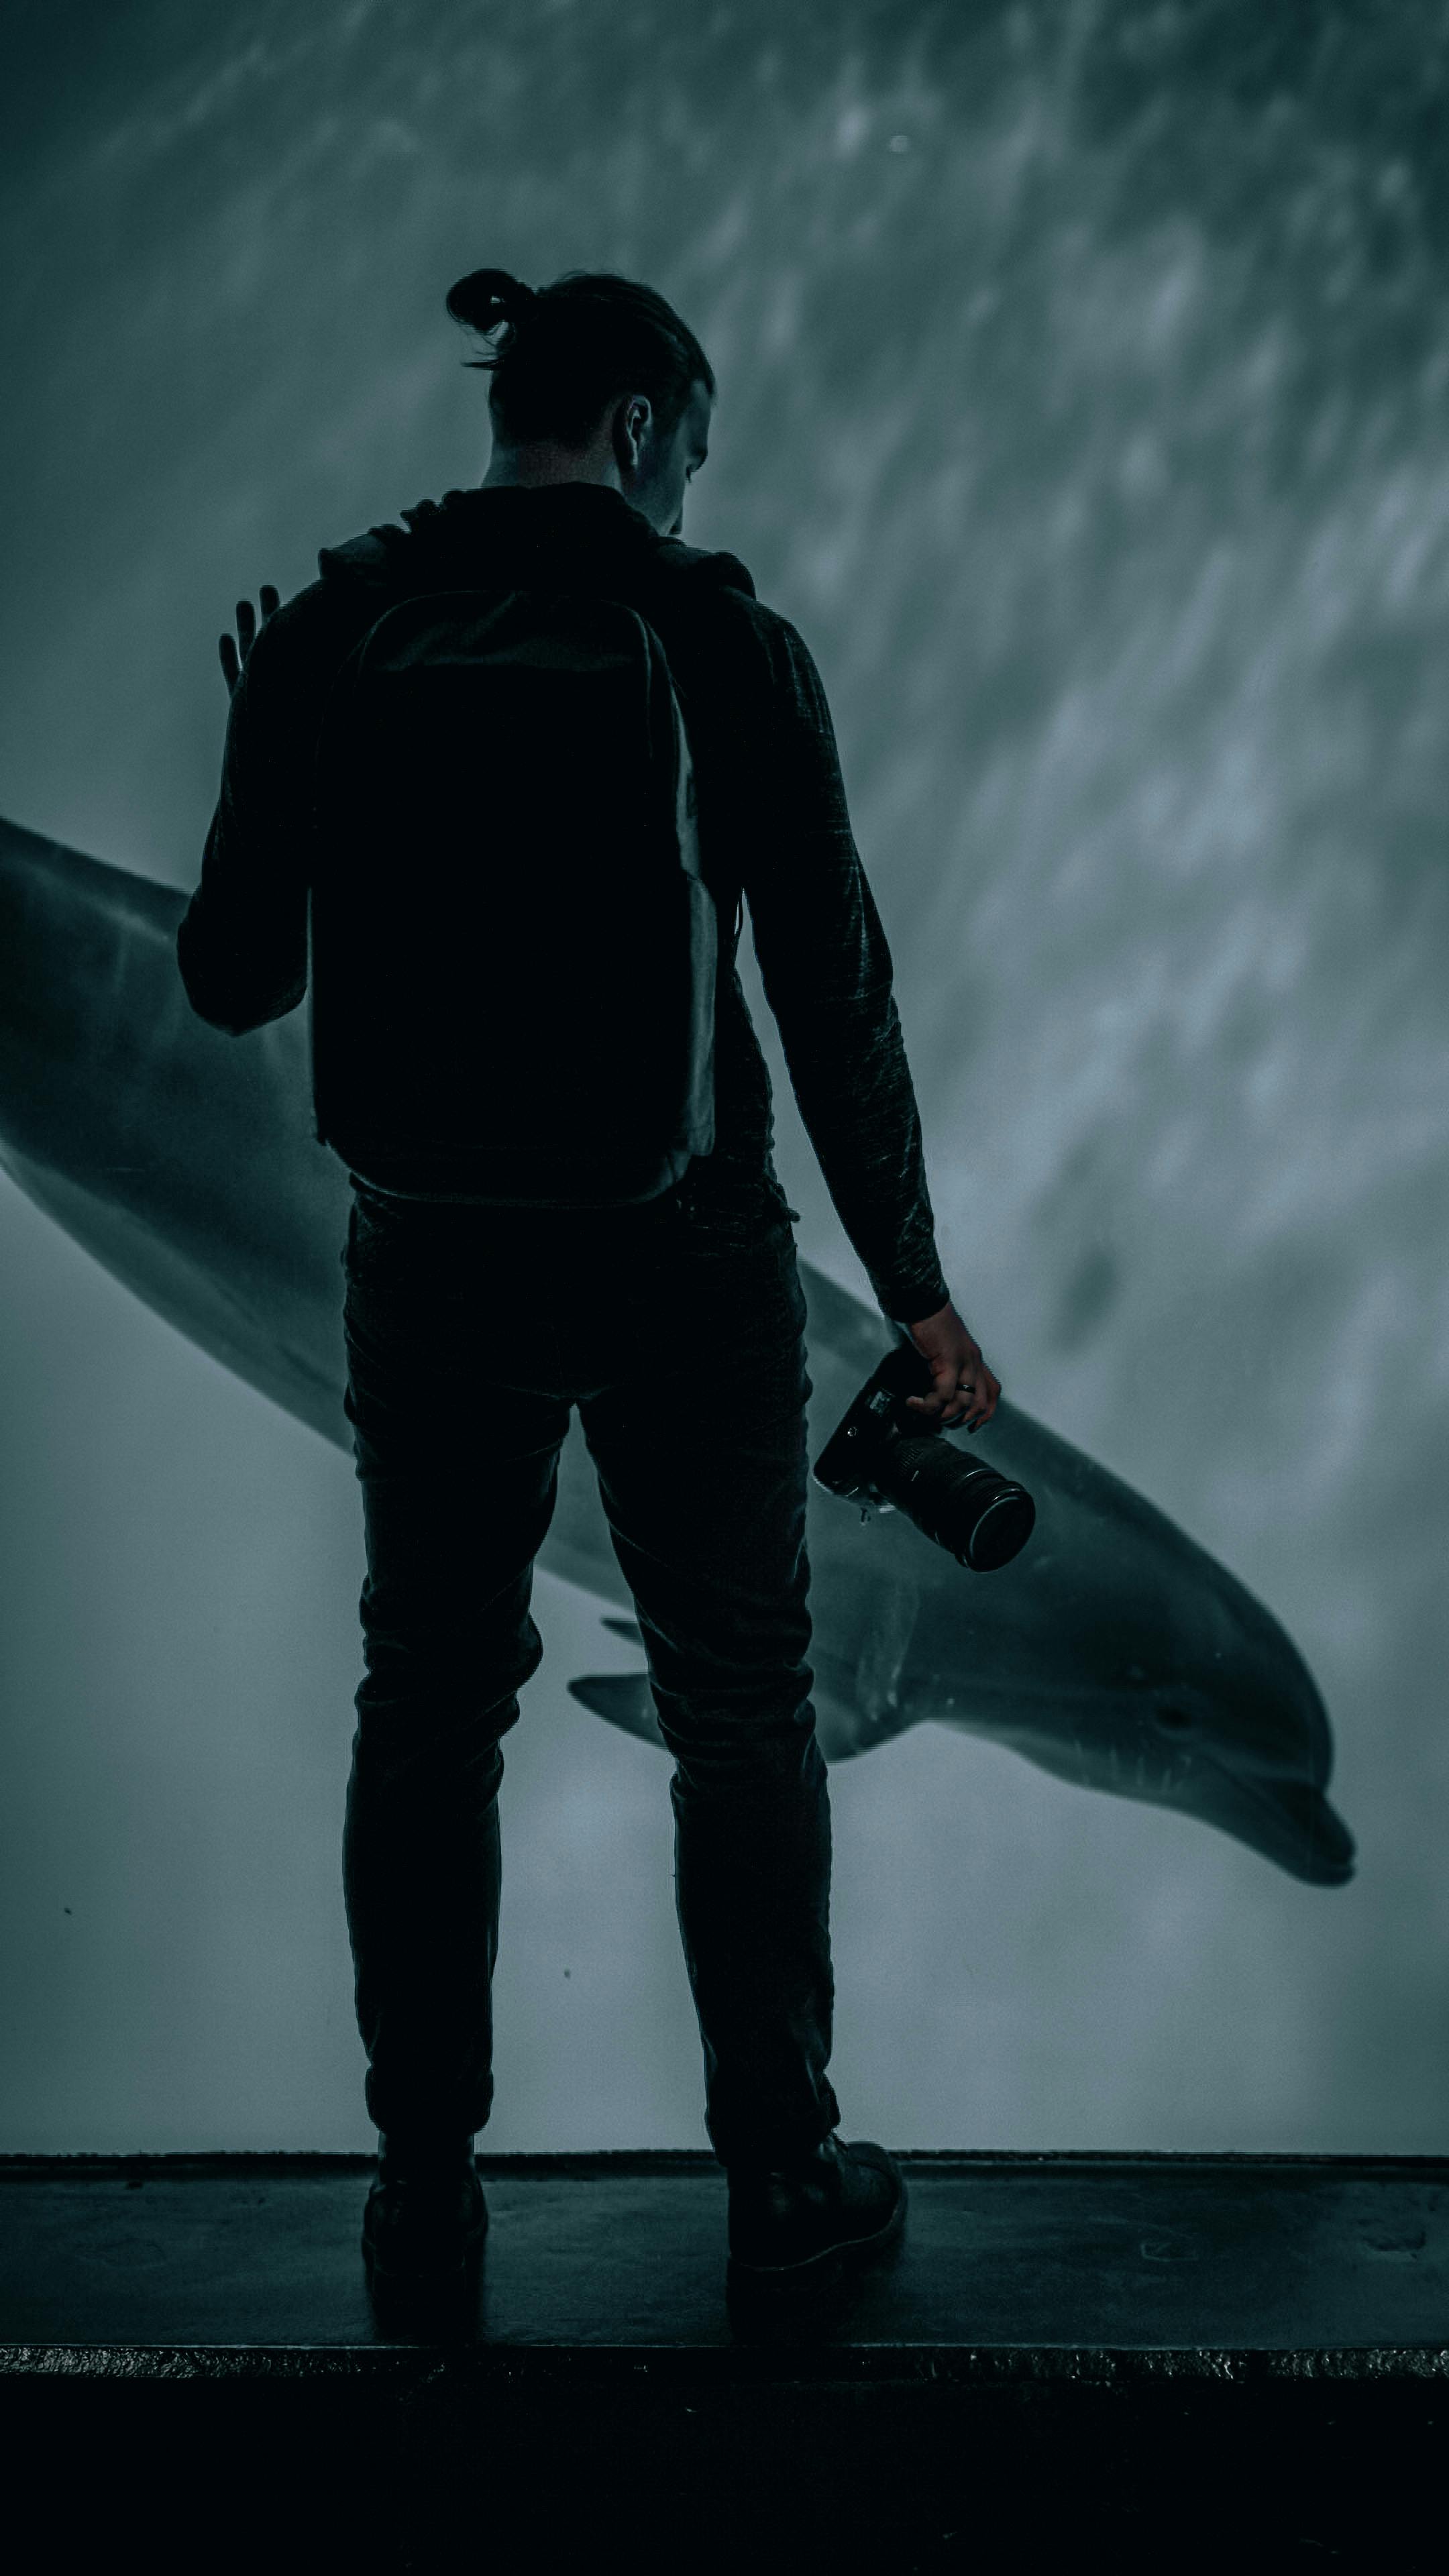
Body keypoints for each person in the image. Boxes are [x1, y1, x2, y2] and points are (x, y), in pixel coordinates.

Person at [179, 265, 1001, 2302]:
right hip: (689, 1269)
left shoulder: (339, 625)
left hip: (429, 1257)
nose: (689, 492)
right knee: (744, 1709)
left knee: (429, 1706)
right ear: (643, 426)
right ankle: (784, 2170)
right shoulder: (721, 635)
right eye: (695, 452)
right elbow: (836, 995)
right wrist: (914, 1290)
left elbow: (231, 983)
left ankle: (423, 2187)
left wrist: (259, 753)